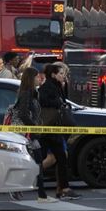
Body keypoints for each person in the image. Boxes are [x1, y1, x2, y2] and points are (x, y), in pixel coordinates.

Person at [15, 67, 58, 203]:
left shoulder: (32, 93)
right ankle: (41, 195)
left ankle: (39, 194)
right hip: (27, 134)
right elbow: (23, 113)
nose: (39, 79)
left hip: (31, 134)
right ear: (31, 78)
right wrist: (33, 127)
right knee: (37, 161)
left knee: (37, 162)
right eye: (37, 77)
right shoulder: (26, 93)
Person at [39, 64, 81, 201]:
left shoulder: (58, 86)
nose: (63, 76)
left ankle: (62, 188)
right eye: (61, 74)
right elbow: (44, 101)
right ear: (53, 75)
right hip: (49, 128)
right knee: (48, 157)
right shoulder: (48, 87)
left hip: (54, 128)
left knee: (60, 157)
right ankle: (32, 179)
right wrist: (57, 103)